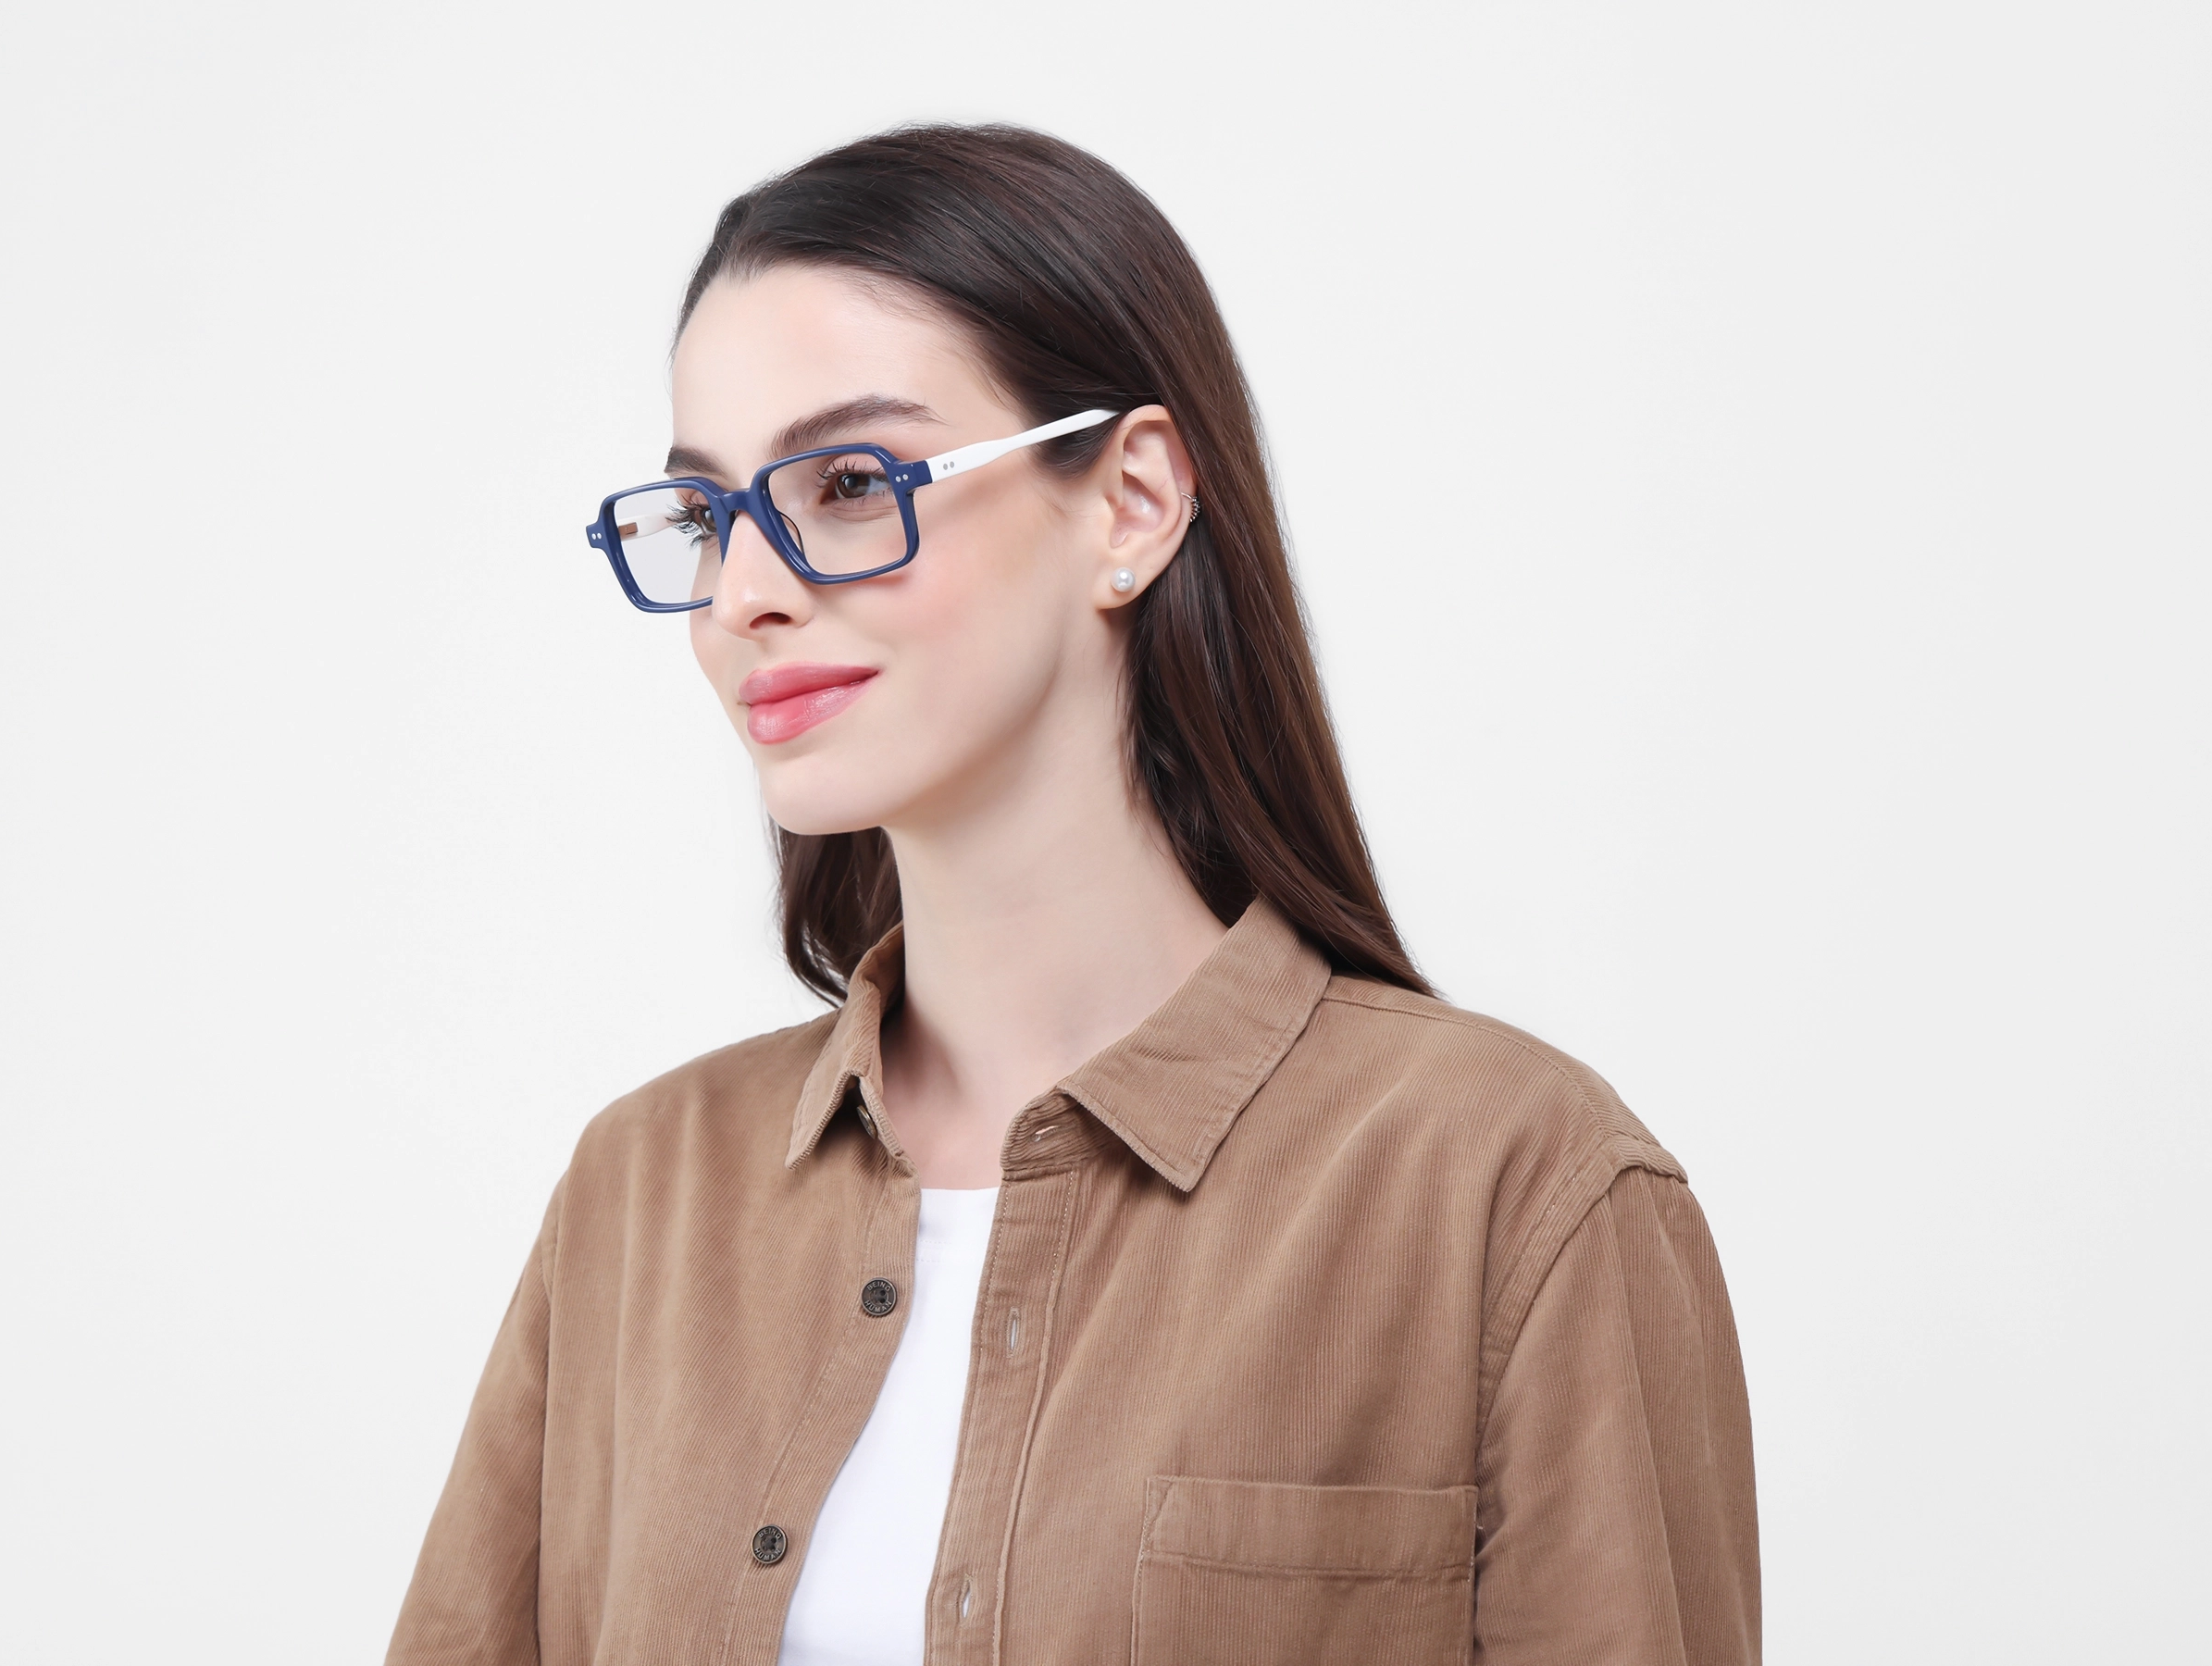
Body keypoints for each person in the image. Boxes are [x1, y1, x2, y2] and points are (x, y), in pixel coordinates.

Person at [387, 124, 1758, 1666]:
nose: (742, 595)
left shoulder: (1514, 1188)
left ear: (1131, 504)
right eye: (706, 517)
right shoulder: (640, 1196)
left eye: (849, 483)